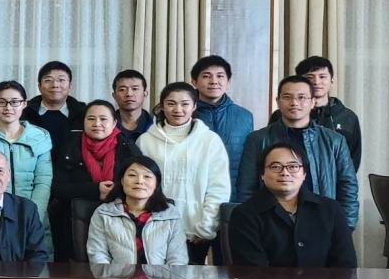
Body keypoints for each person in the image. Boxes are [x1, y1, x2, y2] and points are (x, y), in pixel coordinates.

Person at [238, 75, 359, 228]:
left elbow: (348, 187)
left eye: (302, 97)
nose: (294, 103)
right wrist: (249, 226)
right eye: (287, 97)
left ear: (313, 102)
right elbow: (246, 189)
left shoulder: (334, 141)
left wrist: (345, 228)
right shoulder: (257, 139)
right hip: (270, 225)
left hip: (321, 223)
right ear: (278, 101)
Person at [136, 82, 231, 263]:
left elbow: (218, 187)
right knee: (153, 277)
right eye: (171, 103)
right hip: (153, 227)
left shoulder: (210, 141)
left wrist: (206, 227)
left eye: (185, 104)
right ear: (162, 106)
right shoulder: (146, 141)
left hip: (195, 231)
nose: (178, 109)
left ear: (194, 106)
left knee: (189, 278)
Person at [229, 142, 358, 268]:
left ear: (304, 174)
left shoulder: (331, 210)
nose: (285, 173)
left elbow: (345, 266)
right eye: (275, 167)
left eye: (293, 166)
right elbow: (253, 271)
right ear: (262, 174)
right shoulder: (244, 215)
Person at [0, 80, 54, 256]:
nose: (8, 107)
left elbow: (43, 181)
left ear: (24, 104)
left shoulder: (40, 138)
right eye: (1, 102)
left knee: (36, 264)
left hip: (32, 214)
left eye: (15, 102)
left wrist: (33, 215)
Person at [50, 99, 142, 261]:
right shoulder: (68, 148)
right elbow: (57, 188)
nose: (97, 124)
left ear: (114, 123)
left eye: (103, 119)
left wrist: (114, 192)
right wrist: (95, 189)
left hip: (118, 225)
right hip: (72, 224)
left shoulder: (129, 150)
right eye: (91, 119)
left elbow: (140, 187)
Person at [85, 155, 188, 265]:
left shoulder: (170, 214)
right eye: (132, 175)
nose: (139, 181)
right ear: (122, 181)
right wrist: (113, 276)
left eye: (147, 176)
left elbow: (178, 259)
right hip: (117, 275)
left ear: (156, 183)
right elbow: (98, 255)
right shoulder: (103, 213)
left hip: (161, 275)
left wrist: (165, 277)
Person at [277, 56, 363, 171]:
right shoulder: (282, 114)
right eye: (309, 77)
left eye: (322, 77)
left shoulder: (348, 117)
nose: (316, 82)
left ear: (332, 81)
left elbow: (353, 161)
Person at [191, 55, 255, 196]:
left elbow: (249, 163)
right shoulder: (184, 115)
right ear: (194, 82)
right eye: (206, 76)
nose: (214, 81)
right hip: (194, 193)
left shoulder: (245, 116)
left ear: (228, 82)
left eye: (220, 76)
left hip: (233, 194)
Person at [26, 61, 87, 148]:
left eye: (61, 80)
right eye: (48, 80)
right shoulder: (23, 112)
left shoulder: (83, 113)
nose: (55, 85)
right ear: (39, 86)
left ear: (70, 86)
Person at [111, 69, 154, 141]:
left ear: (145, 94)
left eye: (135, 89)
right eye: (122, 89)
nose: (129, 94)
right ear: (114, 95)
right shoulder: (105, 126)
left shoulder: (156, 126)